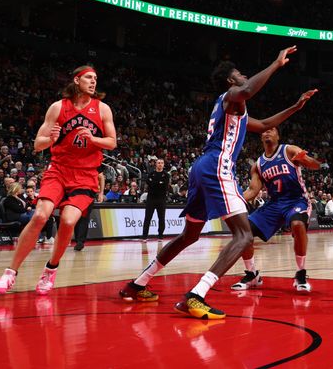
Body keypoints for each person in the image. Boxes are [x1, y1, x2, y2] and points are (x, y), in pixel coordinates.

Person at [119, 47, 316, 320]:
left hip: (201, 168)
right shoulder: (232, 96)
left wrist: (295, 107)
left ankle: (138, 283)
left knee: (190, 235)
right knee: (244, 235)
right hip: (217, 167)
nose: (244, 76)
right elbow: (246, 90)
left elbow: (265, 123)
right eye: (239, 74)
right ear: (229, 81)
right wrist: (275, 64)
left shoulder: (235, 109)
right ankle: (196, 295)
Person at [0, 65, 117, 295]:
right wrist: (51, 139)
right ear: (76, 80)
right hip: (58, 170)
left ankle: (51, 269)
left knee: (68, 221)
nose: (93, 81)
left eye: (96, 78)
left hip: (86, 174)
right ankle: (10, 273)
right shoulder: (58, 107)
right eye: (89, 77)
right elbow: (38, 144)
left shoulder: (103, 109)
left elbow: (112, 142)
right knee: (40, 215)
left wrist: (94, 139)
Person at [231, 126, 321, 292]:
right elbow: (252, 190)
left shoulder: (289, 150)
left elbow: (315, 166)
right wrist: (232, 200)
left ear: (278, 135)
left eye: (271, 130)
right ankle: (252, 275)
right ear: (260, 138)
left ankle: (301, 274)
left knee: (297, 225)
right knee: (244, 231)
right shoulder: (258, 164)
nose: (266, 132)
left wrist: (307, 160)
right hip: (274, 204)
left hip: (296, 200)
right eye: (263, 131)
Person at [73, 167, 105, 251]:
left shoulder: (94, 160)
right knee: (79, 217)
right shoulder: (75, 160)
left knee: (83, 217)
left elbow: (101, 177)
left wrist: (101, 193)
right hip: (75, 190)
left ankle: (80, 241)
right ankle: (79, 241)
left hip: (88, 192)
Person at [141, 158, 170, 240]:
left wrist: (154, 183)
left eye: (162, 163)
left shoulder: (166, 175)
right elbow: (149, 184)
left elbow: (164, 187)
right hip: (151, 199)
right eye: (158, 163)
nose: (160, 164)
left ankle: (160, 235)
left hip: (161, 199)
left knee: (161, 218)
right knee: (147, 218)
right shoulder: (151, 174)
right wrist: (158, 183)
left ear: (163, 165)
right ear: (156, 164)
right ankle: (144, 236)